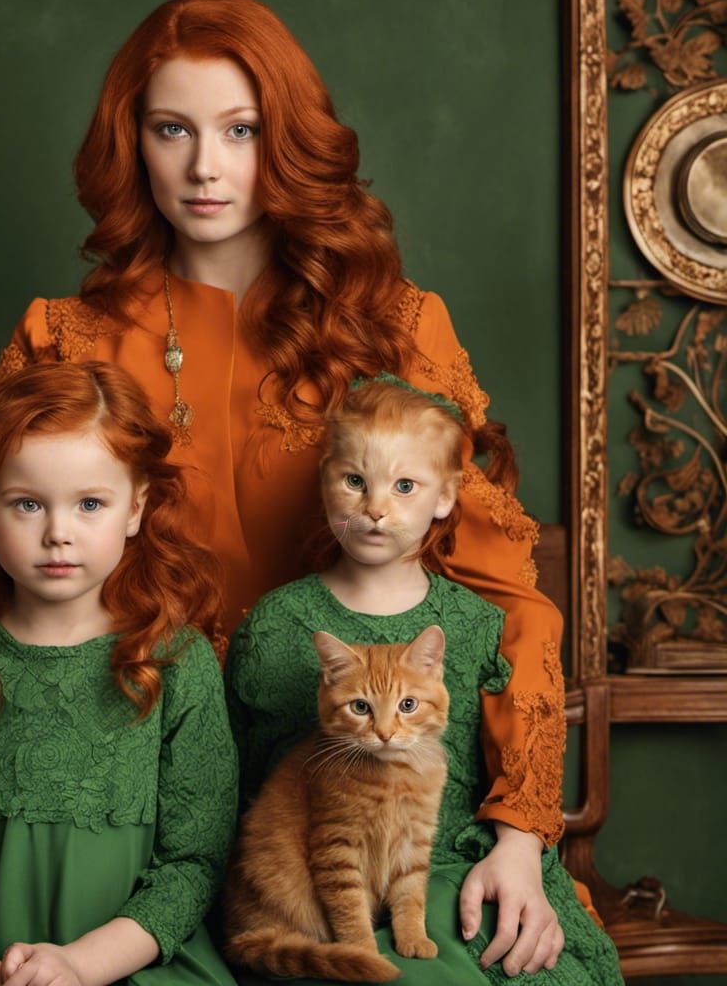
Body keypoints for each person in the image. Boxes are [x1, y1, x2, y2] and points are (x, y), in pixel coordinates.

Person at [0, 0, 595, 979]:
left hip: (361, 789)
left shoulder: (399, 328)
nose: (204, 166)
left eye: (242, 129)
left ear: (289, 140)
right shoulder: (65, 338)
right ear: (131, 141)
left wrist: (524, 835)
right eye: (171, 129)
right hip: (130, 786)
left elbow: (505, 602)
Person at [226, 374, 623, 984]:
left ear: (445, 497)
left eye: (404, 486)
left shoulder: (477, 624)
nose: (375, 508)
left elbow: (514, 769)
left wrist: (519, 850)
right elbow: (245, 784)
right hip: (313, 878)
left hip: (456, 871)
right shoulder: (277, 625)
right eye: (354, 481)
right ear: (326, 478)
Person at [0, 362, 238, 986]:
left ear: (136, 508)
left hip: (131, 965)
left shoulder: (176, 661)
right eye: (27, 504)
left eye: (90, 503)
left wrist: (82, 967)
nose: (58, 534)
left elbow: (194, 862)